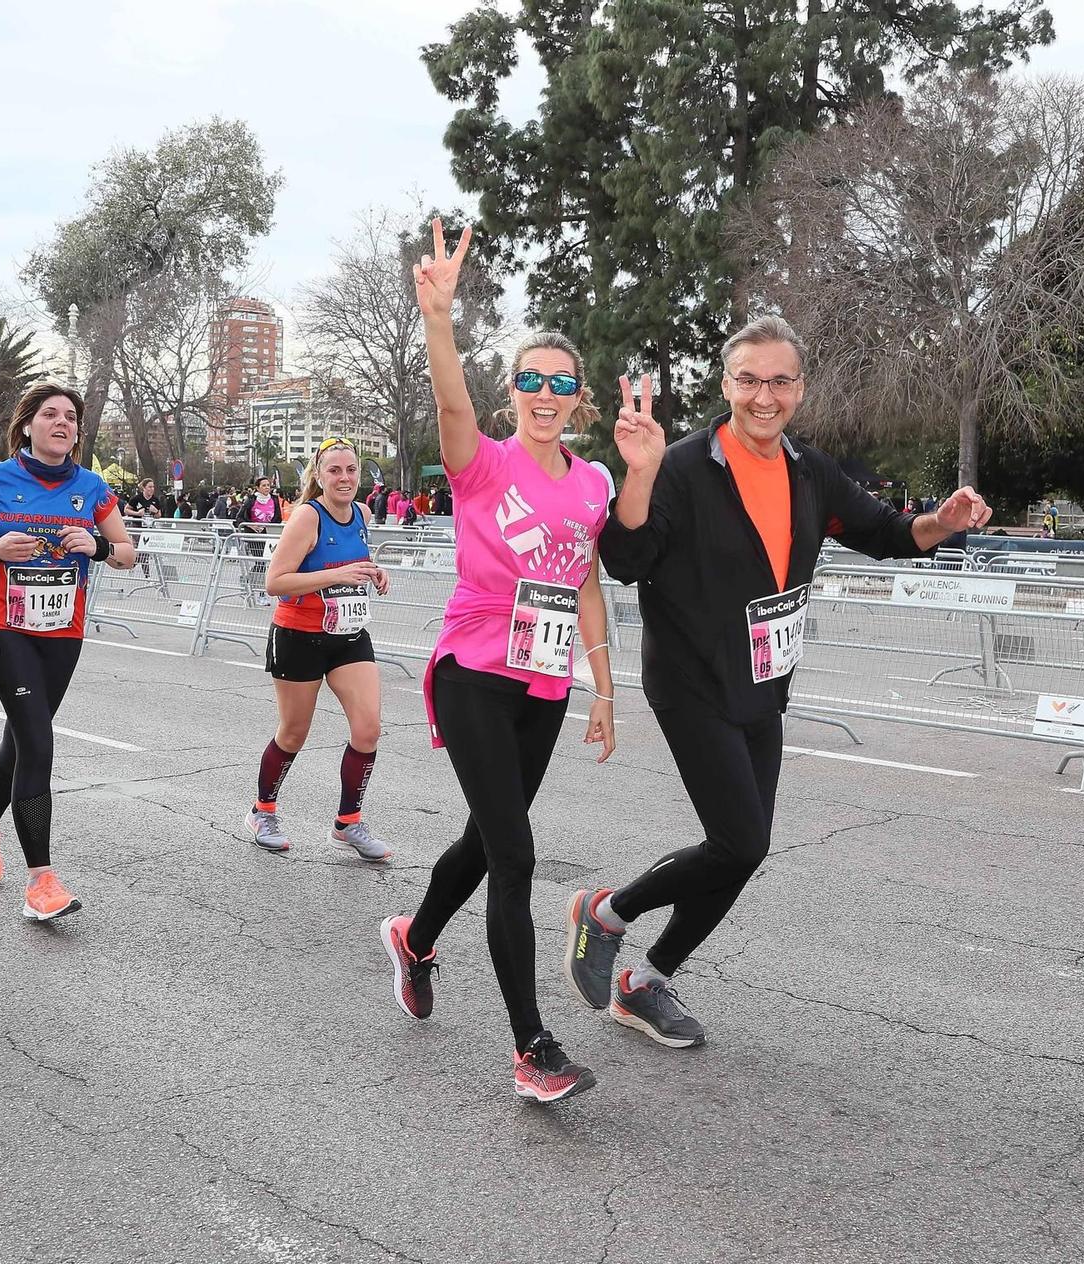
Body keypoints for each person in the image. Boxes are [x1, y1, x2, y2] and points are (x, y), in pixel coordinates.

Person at [564, 314, 990, 1049]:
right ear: (727, 385)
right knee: (735, 840)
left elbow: (888, 535)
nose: (766, 396)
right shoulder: (683, 466)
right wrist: (638, 471)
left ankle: (646, 980)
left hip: (764, 681)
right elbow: (628, 559)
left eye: (781, 380)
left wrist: (940, 522)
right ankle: (607, 913)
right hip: (691, 678)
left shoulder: (810, 470)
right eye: (750, 379)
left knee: (747, 846)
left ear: (800, 387)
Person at [379, 222, 617, 1103]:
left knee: (487, 837)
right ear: (511, 390)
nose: (545, 394)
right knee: (514, 852)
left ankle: (414, 936)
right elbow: (449, 408)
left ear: (578, 397)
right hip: (474, 666)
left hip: (547, 679)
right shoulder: (484, 464)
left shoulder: (591, 484)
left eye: (561, 384)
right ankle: (532, 1046)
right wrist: (438, 321)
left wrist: (604, 687)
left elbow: (587, 580)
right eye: (530, 380)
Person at [0, 383, 136, 922]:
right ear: (27, 425)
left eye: (71, 417)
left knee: (20, 738)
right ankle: (41, 881)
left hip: (62, 627)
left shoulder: (93, 487)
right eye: (50, 414)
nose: (62, 423)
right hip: (2, 624)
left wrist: (97, 546)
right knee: (38, 740)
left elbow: (126, 553)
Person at [248, 437, 393, 860]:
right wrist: (338, 575)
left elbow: (352, 566)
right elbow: (275, 582)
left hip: (348, 636)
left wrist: (373, 573)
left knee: (368, 729)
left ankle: (348, 822)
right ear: (319, 476)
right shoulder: (307, 518)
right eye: (335, 471)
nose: (345, 478)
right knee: (294, 732)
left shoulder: (363, 513)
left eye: (351, 470)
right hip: (299, 637)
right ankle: (263, 810)